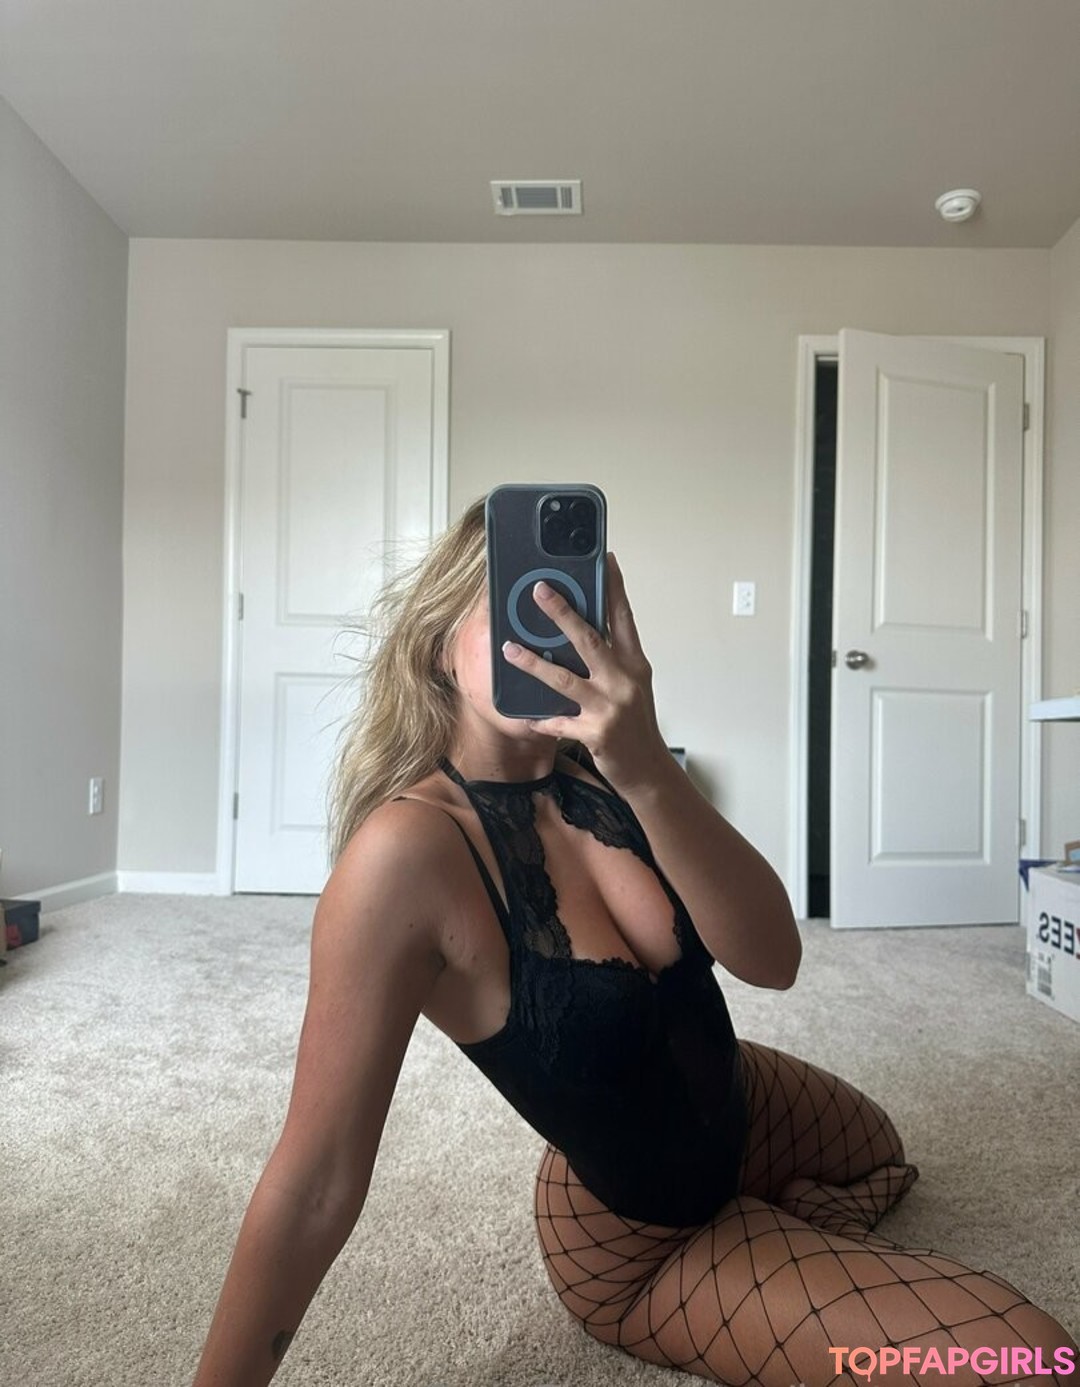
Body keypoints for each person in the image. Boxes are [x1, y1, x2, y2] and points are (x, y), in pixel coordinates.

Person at [192, 497, 1077, 1387]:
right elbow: (314, 1180)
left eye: (571, 605)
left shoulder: (612, 775)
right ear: (437, 645)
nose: (552, 632)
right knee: (1029, 1355)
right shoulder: (405, 856)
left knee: (882, 1149)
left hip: (736, 1101)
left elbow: (775, 959)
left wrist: (646, 763)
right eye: (520, 604)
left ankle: (776, 1239)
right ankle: (752, 1257)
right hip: (641, 1241)